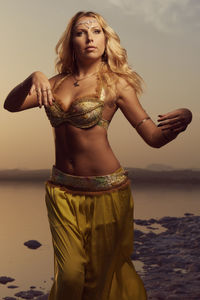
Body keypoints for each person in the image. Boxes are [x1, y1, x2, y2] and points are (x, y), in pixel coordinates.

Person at [4, 11, 192, 300]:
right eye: (81, 32)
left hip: (108, 193)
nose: (89, 37)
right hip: (61, 192)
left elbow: (153, 138)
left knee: (96, 284)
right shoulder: (53, 83)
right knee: (69, 277)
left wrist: (184, 120)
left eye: (97, 31)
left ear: (107, 40)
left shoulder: (117, 84)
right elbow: (10, 105)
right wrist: (33, 76)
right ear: (71, 41)